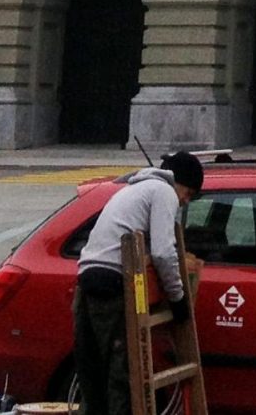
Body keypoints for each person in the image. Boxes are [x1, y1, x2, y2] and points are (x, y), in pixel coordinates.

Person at [73, 152, 204, 415]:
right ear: (178, 182)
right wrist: (178, 298)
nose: (185, 201)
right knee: (121, 373)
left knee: (93, 374)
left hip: (87, 278)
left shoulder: (132, 190)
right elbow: (164, 252)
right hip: (112, 283)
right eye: (188, 193)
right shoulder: (163, 191)